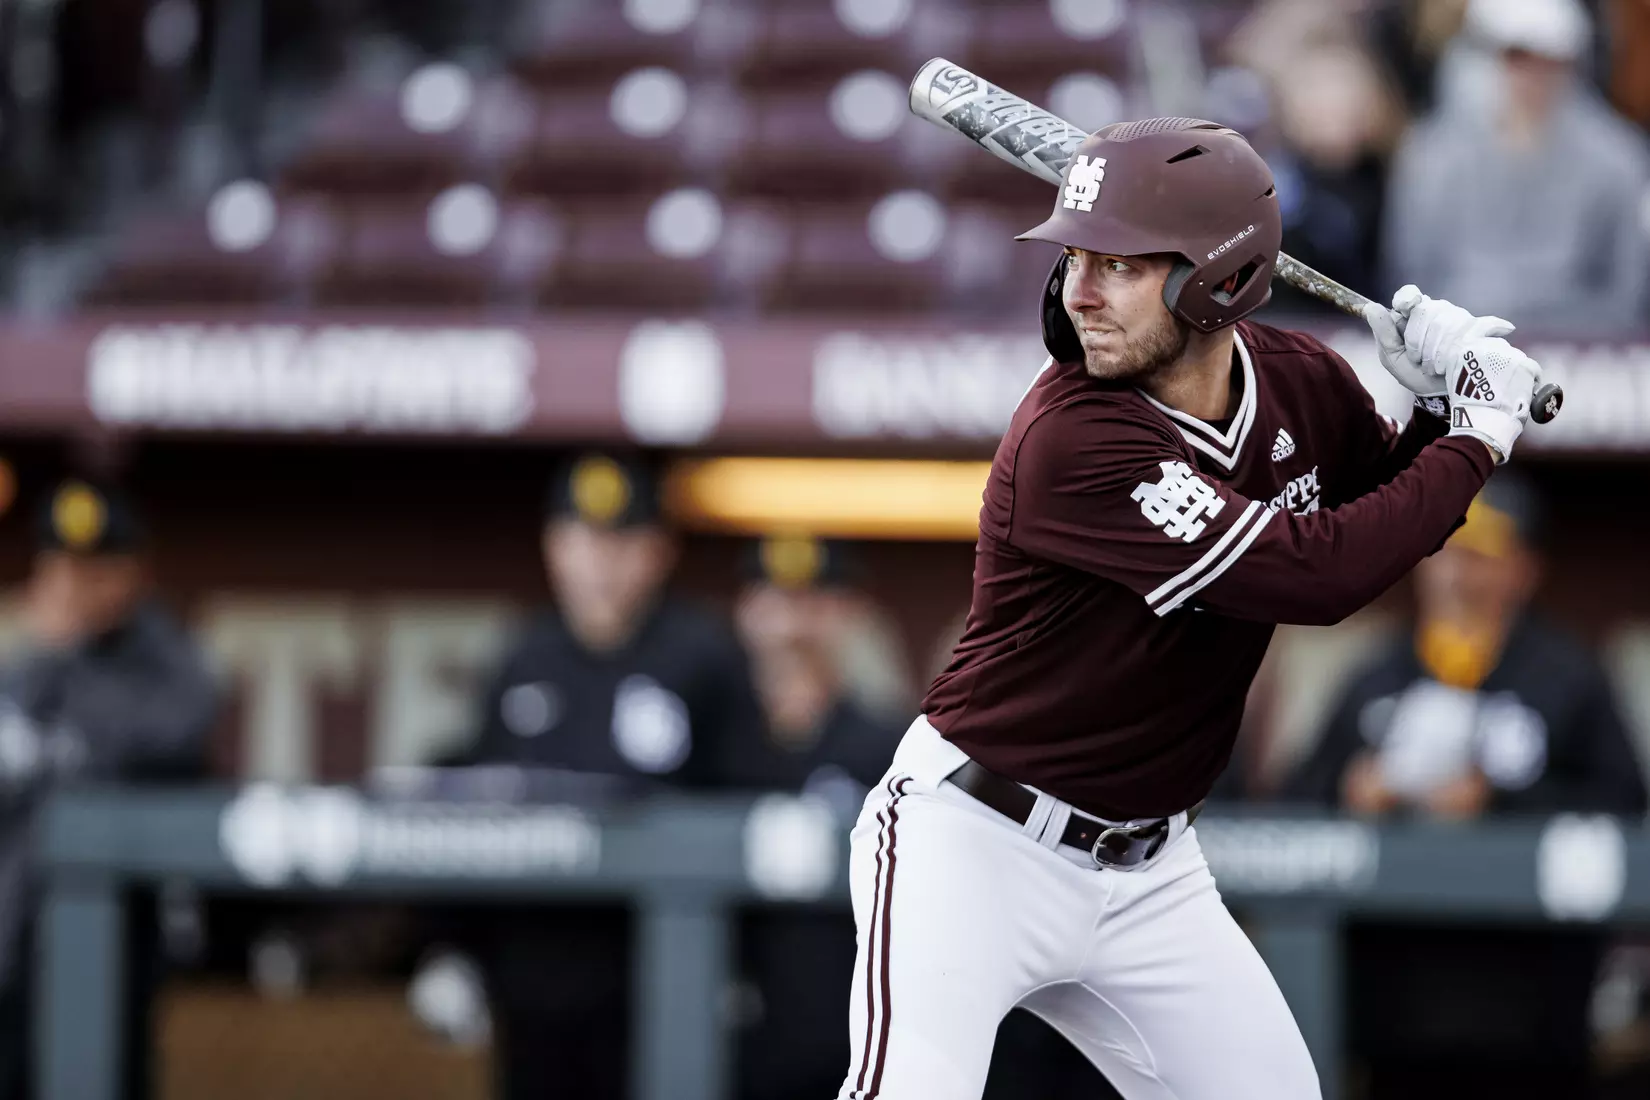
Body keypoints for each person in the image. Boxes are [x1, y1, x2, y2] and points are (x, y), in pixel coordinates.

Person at [835, 117, 1544, 1100]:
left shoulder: (1301, 381)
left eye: (1119, 264)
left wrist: (1429, 414)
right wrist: (1479, 436)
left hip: (1149, 869)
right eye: (1077, 257)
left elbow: (1384, 510)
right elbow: (1317, 577)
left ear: (1215, 281)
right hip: (976, 840)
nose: (1079, 291)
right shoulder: (1070, 437)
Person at [1284, 470, 1645, 1100]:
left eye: (1480, 556)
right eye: (1443, 552)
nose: (1457, 573)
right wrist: (1352, 789)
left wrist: (1500, 803)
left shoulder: (1569, 677)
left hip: (1530, 1008)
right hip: (1397, 1009)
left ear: (1524, 571)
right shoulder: (1377, 672)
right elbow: (1292, 800)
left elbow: (1624, 810)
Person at [440, 450, 765, 1100]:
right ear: (553, 547)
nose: (600, 563)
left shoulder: (700, 655)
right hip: (535, 975)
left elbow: (747, 805)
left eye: (622, 543)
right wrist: (458, 952)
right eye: (582, 541)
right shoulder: (523, 657)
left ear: (657, 553)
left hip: (657, 976)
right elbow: (476, 805)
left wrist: (741, 964)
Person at [0, 478, 217, 1100]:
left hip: (109, 951)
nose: (74, 587)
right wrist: (44, 654)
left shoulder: (166, 660)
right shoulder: (27, 659)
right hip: (12, 940)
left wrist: (59, 653)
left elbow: (173, 729)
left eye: (95, 570)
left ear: (132, 571)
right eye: (62, 568)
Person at [1383, 0, 1650, 334]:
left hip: (1582, 356)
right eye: (1516, 57)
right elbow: (1409, 280)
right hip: (1455, 353)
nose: (1531, 77)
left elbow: (1626, 295)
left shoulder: (1618, 162)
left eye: (1549, 62)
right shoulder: (1430, 158)